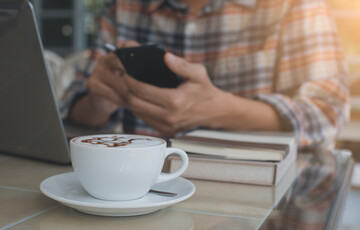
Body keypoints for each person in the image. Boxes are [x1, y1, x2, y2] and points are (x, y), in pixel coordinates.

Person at [60, 0, 350, 149]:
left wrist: (219, 110)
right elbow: (70, 107)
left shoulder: (293, 5)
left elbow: (328, 113)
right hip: (143, 194)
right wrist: (100, 101)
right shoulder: (122, 7)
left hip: (254, 198)